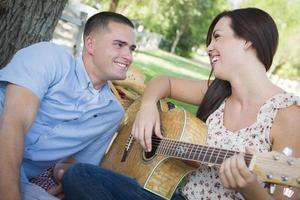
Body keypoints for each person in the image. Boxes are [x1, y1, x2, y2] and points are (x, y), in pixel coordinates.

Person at [61, 7, 300, 200]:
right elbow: (163, 81)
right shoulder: (217, 92)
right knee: (78, 175)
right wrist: (148, 106)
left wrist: (250, 189)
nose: (209, 47)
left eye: (217, 37)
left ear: (247, 40)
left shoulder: (288, 114)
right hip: (177, 195)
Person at [0, 11, 136, 200]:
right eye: (119, 45)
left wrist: (65, 177)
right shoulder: (49, 57)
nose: (128, 56)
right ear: (91, 44)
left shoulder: (111, 113)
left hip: (22, 181)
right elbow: (13, 123)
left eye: (131, 49)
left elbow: (74, 165)